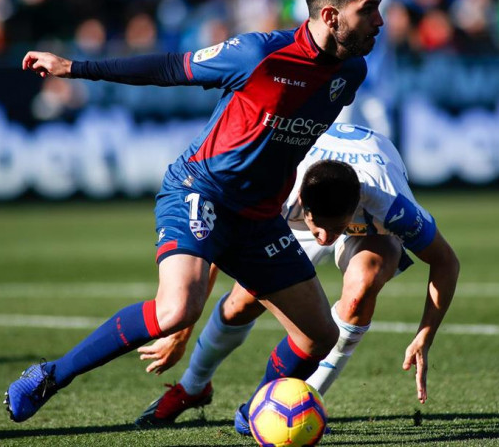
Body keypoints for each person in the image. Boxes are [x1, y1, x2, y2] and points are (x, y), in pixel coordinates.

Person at [4, 0, 384, 427]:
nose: (380, 21)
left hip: (259, 217)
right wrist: (75, 67)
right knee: (177, 309)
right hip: (199, 190)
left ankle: (259, 412)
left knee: (319, 338)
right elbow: (168, 67)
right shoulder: (258, 54)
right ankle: (49, 376)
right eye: (369, 10)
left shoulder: (351, 73)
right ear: (330, 15)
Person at [134, 123, 460, 433]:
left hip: (369, 221)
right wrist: (182, 332)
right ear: (303, 203)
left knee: (364, 284)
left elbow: (446, 262)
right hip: (291, 215)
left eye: (336, 228)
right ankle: (192, 387)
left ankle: (304, 401)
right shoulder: (276, 188)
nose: (324, 238)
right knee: (242, 303)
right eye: (319, 227)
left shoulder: (391, 205)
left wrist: (425, 335)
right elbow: (216, 251)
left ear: (356, 206)